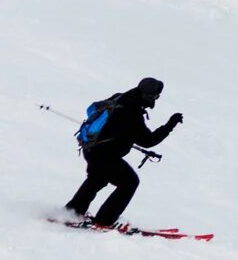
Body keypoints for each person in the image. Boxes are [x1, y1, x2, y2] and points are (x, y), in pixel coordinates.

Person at [65, 77, 181, 229]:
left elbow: (114, 127)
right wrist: (170, 124)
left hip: (91, 148)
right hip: (104, 155)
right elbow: (148, 140)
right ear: (146, 95)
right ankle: (103, 221)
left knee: (97, 179)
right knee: (129, 182)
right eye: (155, 96)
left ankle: (72, 212)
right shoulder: (131, 112)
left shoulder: (119, 97)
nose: (155, 99)